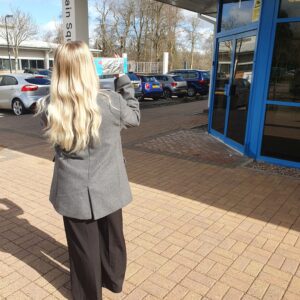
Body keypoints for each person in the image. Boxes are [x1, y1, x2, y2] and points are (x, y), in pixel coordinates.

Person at [36, 41, 140, 300]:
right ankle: (114, 281)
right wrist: (122, 78)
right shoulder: (111, 102)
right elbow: (135, 117)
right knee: (112, 239)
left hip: (73, 190)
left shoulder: (50, 107)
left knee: (83, 248)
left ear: (59, 69)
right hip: (110, 185)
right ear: (89, 68)